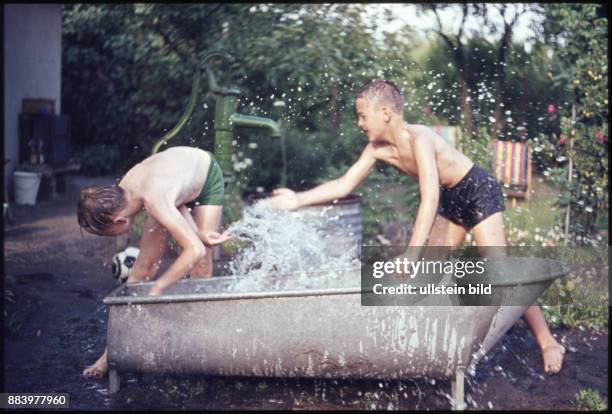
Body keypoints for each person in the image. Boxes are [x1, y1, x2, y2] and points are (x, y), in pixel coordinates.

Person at [266, 80, 565, 374]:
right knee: (428, 273)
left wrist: (410, 253)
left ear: (385, 112)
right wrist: (298, 199)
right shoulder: (376, 149)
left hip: (477, 190)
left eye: (362, 115)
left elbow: (430, 197)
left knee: (501, 272)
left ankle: (548, 342)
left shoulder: (420, 138)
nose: (359, 123)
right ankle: (438, 338)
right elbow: (345, 184)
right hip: (452, 198)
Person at [77, 146, 230, 378]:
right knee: (142, 270)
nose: (107, 238)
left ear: (118, 221)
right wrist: (196, 232)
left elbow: (194, 250)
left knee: (201, 263)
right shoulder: (126, 192)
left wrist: (158, 288)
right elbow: (176, 201)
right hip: (175, 185)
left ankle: (199, 347)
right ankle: (109, 355)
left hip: (205, 175)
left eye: (103, 233)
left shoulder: (152, 198)